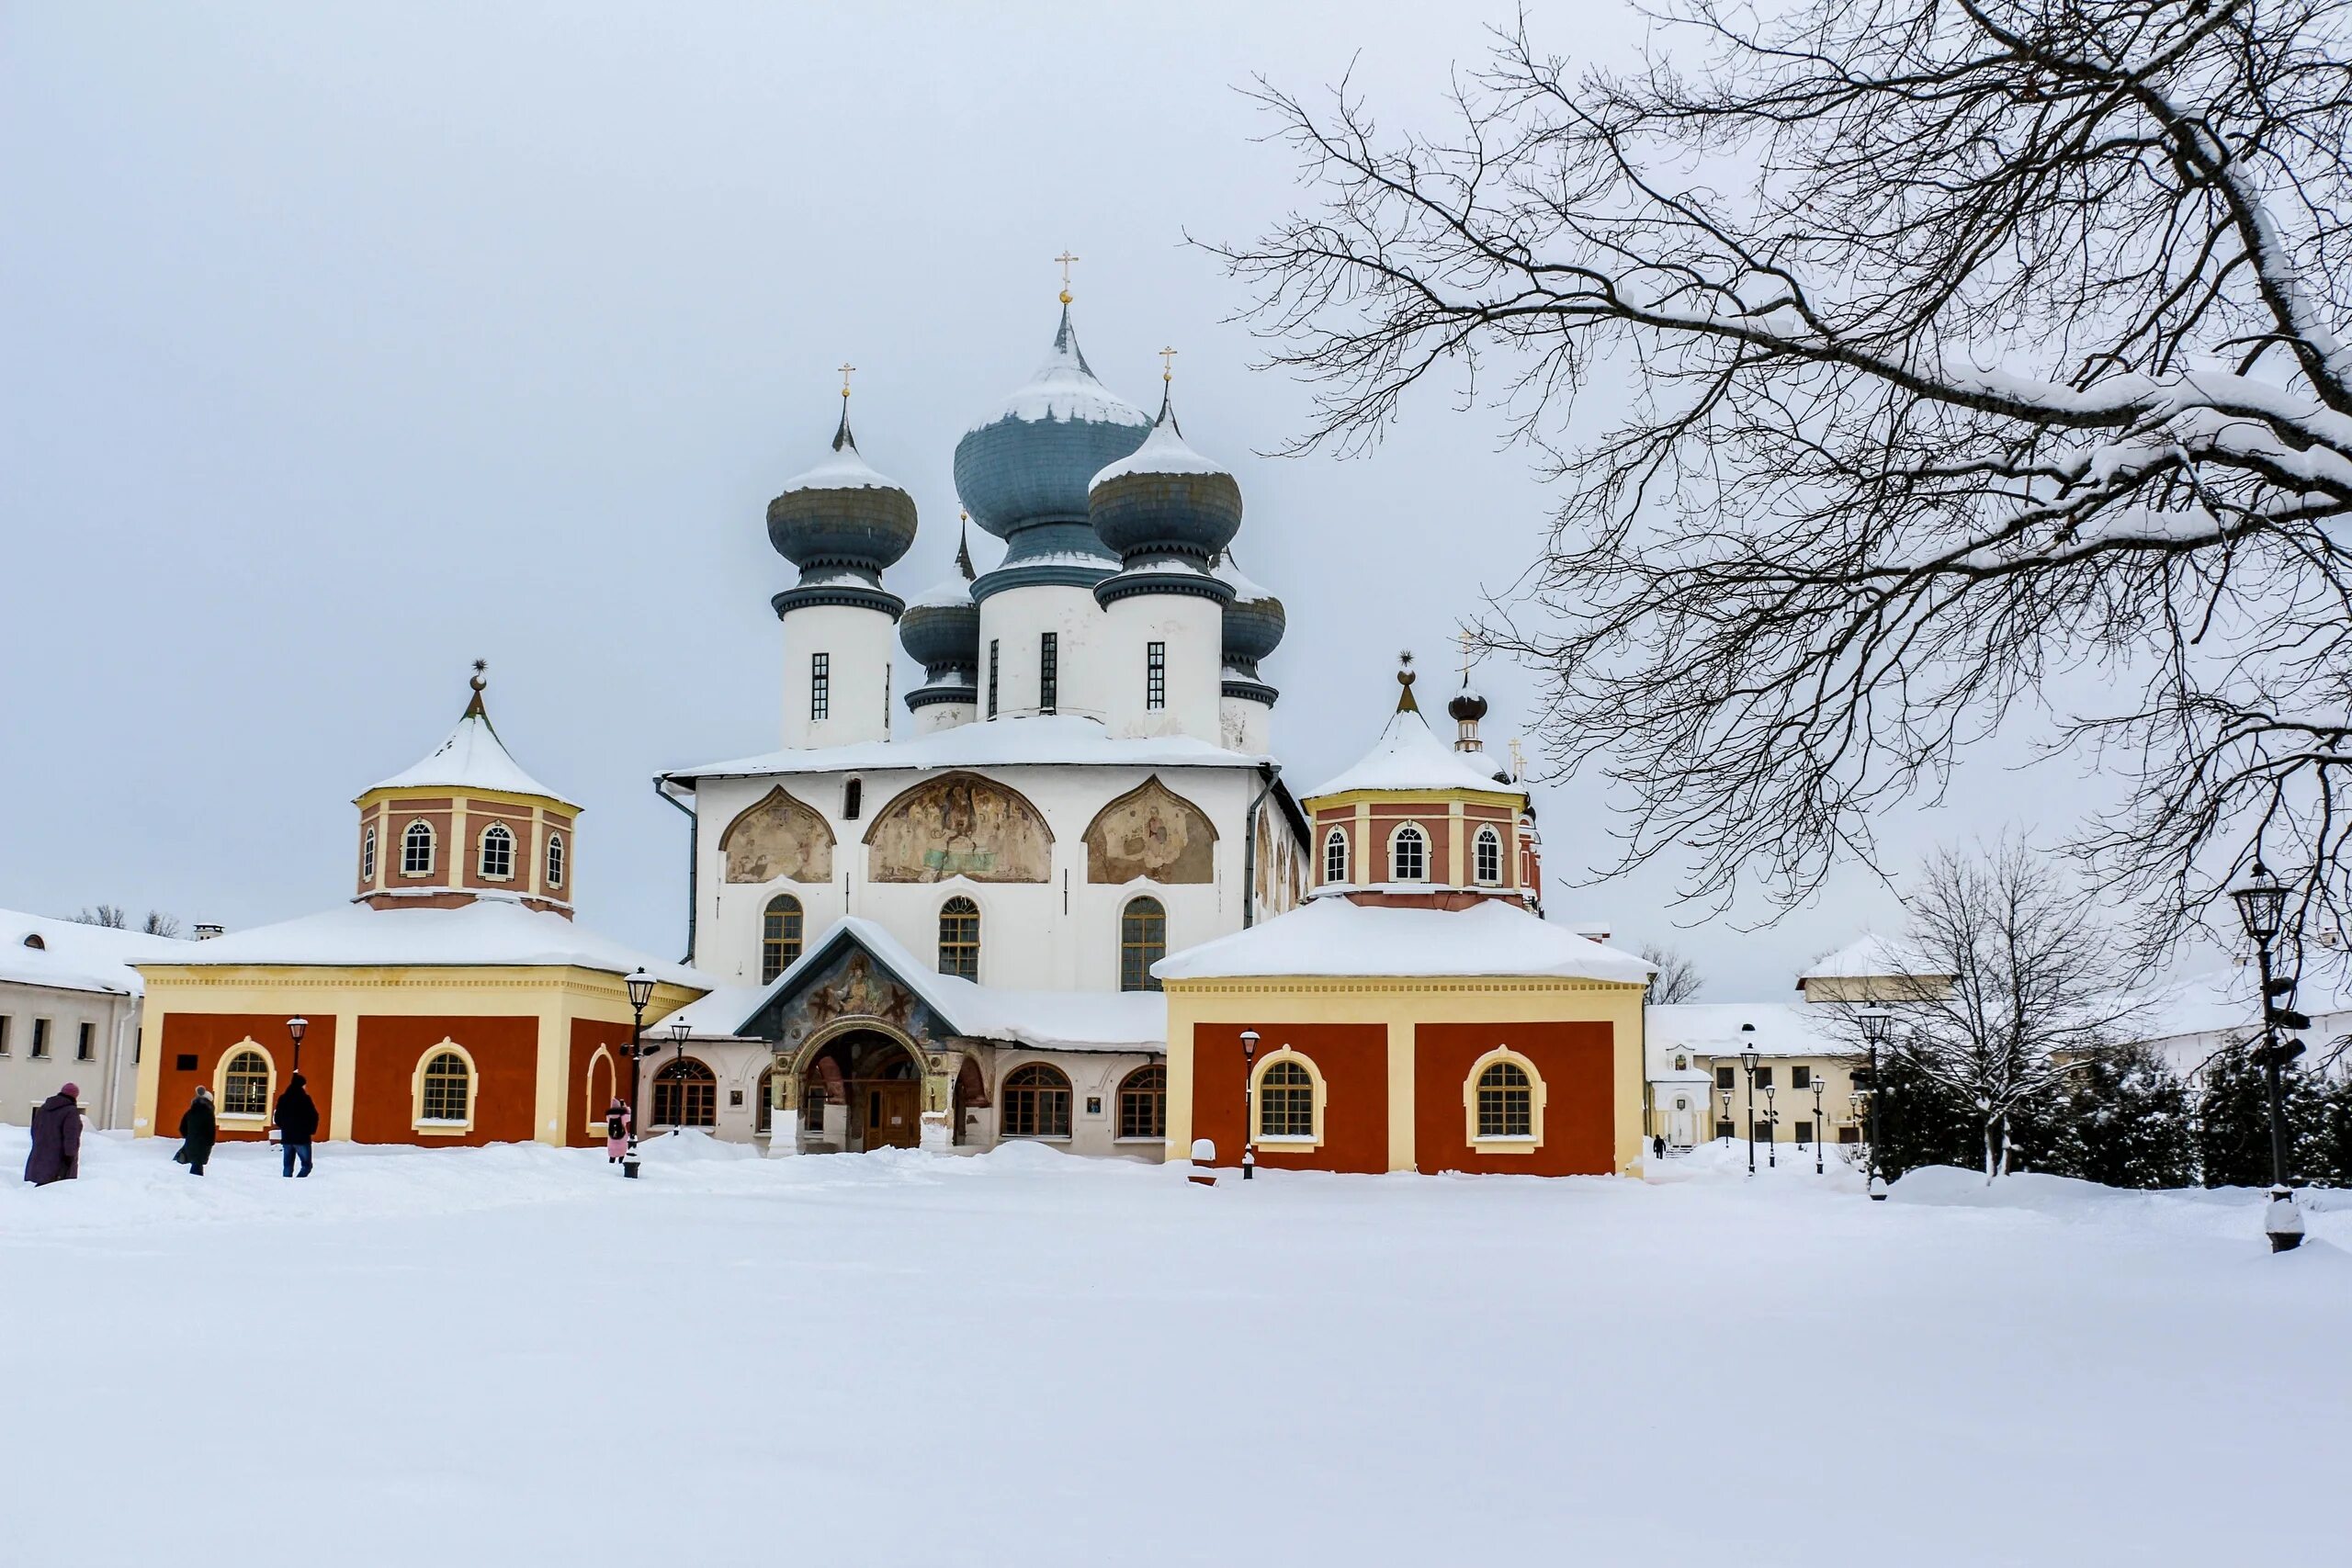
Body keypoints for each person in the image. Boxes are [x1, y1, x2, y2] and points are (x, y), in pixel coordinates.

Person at [24, 1082, 84, 1186]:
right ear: (75, 1096)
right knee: (58, 1191)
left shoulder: (44, 1109)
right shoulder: (71, 1112)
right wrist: (69, 1156)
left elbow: (35, 1129)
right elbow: (71, 1136)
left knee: (42, 1187)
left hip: (40, 1155)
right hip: (59, 1160)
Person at [274, 1072, 320, 1178]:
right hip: (302, 1138)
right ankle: (298, 1183)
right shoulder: (305, 1099)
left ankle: (286, 1186)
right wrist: (310, 1130)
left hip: (287, 1138)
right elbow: (314, 1116)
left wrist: (285, 1127)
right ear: (301, 1085)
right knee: (307, 1165)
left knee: (287, 1166)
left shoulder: (283, 1099)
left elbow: (277, 1118)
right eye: (304, 1085)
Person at [176, 1086, 218, 1176]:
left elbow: (182, 1128)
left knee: (195, 1163)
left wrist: (189, 1136)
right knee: (197, 1165)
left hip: (191, 1142)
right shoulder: (209, 1114)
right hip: (203, 1144)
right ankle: (194, 1184)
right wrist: (211, 1142)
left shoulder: (190, 1112)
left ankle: (193, 1182)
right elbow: (211, 1130)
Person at [605, 1098, 631, 1165]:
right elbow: (630, 1116)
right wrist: (625, 1108)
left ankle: (611, 1165)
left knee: (612, 1156)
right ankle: (620, 1164)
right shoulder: (622, 1116)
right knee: (622, 1156)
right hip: (622, 1139)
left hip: (612, 1139)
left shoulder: (609, 1117)